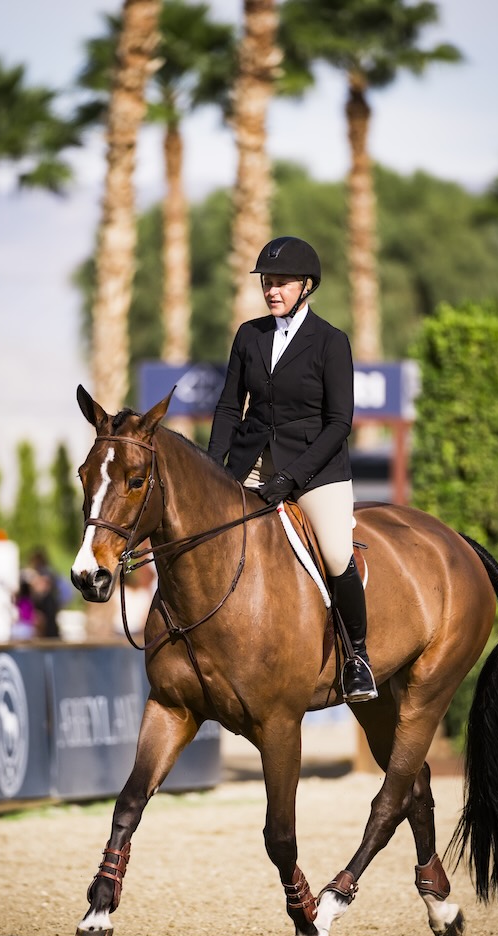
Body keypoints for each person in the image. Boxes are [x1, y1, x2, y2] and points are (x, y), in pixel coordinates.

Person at [208, 235, 377, 702]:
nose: (271, 290)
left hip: (314, 470)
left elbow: (339, 423)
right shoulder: (249, 335)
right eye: (267, 282)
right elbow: (228, 407)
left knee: (337, 552)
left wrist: (293, 478)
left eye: (280, 282)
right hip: (251, 461)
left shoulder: (331, 342)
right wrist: (212, 464)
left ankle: (357, 657)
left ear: (306, 286)